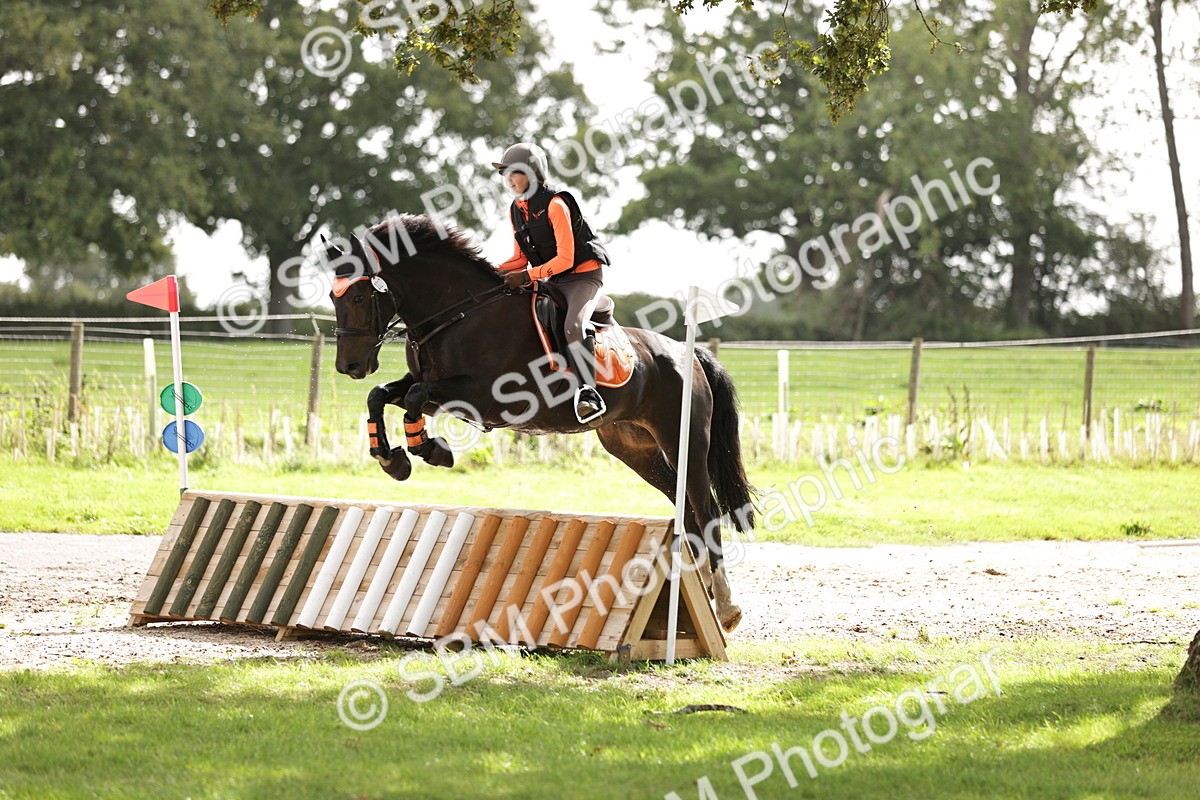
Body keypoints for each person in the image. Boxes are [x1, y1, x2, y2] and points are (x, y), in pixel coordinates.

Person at [492, 142, 611, 424]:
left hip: (583, 276)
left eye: (514, 173)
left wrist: (528, 276)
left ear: (532, 174)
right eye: (504, 174)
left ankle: (588, 393)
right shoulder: (516, 209)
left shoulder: (556, 204)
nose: (508, 180)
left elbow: (566, 259)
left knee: (573, 326)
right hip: (554, 279)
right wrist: (488, 272)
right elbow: (519, 259)